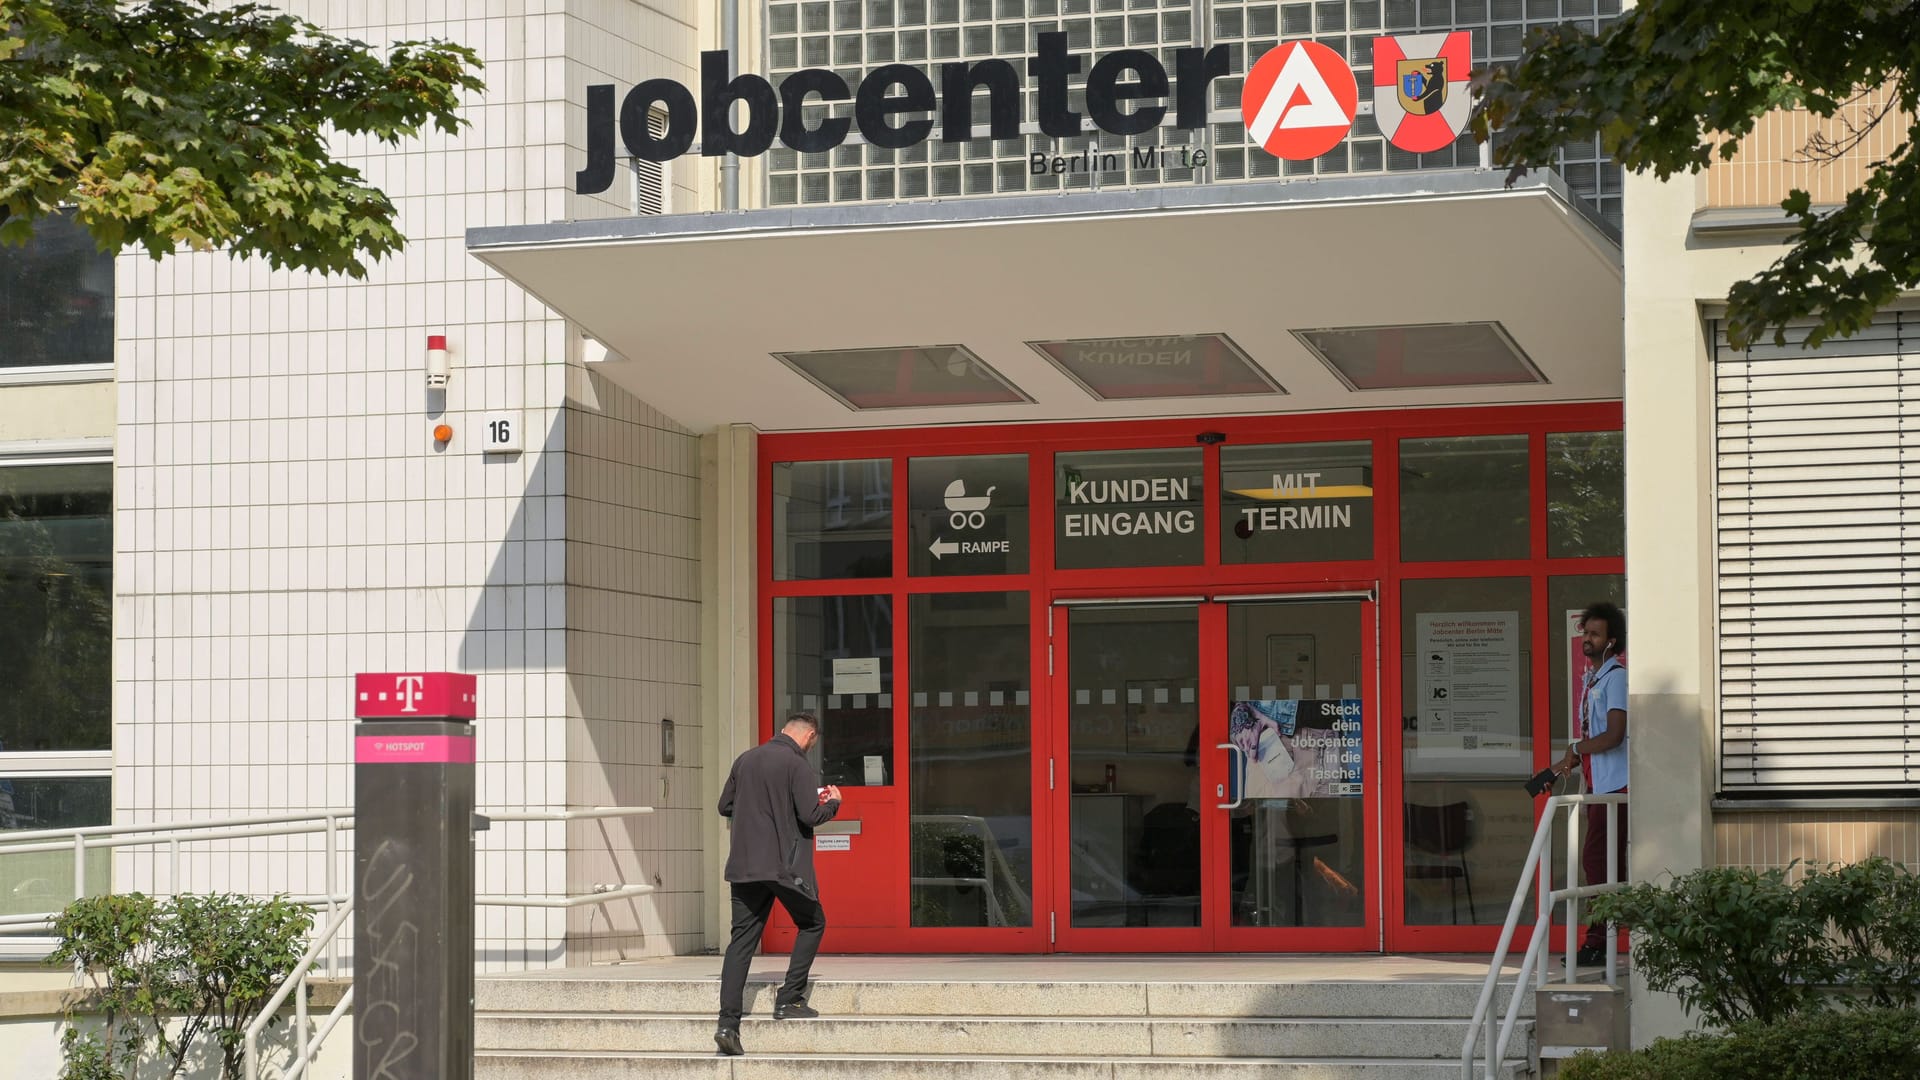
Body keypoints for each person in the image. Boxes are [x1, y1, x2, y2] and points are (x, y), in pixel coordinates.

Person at [713, 711, 843, 1056]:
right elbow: (810, 815)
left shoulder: (746, 760)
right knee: (813, 922)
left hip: (743, 867)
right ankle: (789, 999)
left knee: (741, 942)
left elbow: (724, 805)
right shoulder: (796, 764)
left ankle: (727, 1024)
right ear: (810, 736)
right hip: (784, 868)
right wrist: (833, 803)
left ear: (782, 730)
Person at [1553, 602, 1628, 966]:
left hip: (1616, 787)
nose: (1587, 639)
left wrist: (1575, 748)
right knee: (1602, 862)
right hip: (1597, 785)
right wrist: (1575, 757)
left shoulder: (1617, 678)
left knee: (1599, 862)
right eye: (1585, 632)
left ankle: (1598, 941)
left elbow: (1614, 735)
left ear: (1611, 641)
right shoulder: (1593, 678)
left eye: (1595, 634)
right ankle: (1603, 937)